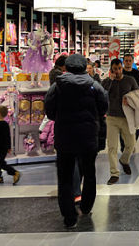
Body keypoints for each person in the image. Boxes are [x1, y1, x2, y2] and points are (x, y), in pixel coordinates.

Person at [45, 54, 108, 229]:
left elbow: (50, 113)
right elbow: (103, 108)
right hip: (88, 137)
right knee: (89, 173)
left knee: (64, 177)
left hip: (65, 138)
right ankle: (86, 207)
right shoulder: (95, 86)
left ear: (66, 67)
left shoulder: (57, 87)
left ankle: (69, 216)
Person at [101, 58, 139, 184]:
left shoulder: (130, 80)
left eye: (119, 68)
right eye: (114, 69)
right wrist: (110, 81)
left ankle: (124, 160)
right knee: (112, 147)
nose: (117, 71)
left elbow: (138, 94)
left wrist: (130, 99)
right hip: (111, 117)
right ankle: (114, 173)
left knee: (131, 144)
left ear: (122, 68)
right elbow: (103, 93)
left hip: (127, 118)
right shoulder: (107, 82)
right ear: (111, 70)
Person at [0, 105, 21, 185]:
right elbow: (8, 136)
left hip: (0, 147)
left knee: (0, 163)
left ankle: (14, 172)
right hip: (3, 147)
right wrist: (9, 147)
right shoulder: (5, 124)